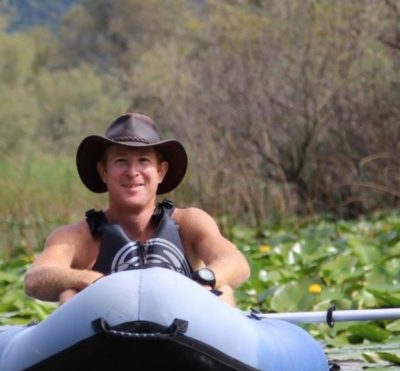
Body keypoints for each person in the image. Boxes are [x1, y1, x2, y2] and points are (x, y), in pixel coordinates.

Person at [24, 112, 250, 305]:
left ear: (160, 171)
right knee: (69, 294)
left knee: (223, 292)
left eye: (143, 161)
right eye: (121, 161)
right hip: (106, 340)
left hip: (188, 337)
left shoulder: (189, 222)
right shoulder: (76, 236)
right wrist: (89, 280)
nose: (133, 172)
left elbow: (236, 262)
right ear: (103, 172)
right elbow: (35, 278)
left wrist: (205, 279)